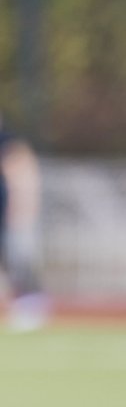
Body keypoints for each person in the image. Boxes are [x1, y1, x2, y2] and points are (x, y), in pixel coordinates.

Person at [0, 117, 48, 332]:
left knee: (20, 260)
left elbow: (24, 176)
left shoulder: (8, 142)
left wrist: (23, 210)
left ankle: (31, 307)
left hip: (13, 216)